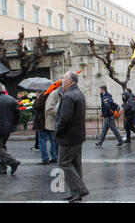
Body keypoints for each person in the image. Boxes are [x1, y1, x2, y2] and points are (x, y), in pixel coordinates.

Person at [55, 71, 89, 203]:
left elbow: (65, 118)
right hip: (77, 136)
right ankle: (76, 193)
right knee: (75, 164)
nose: (61, 81)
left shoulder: (68, 96)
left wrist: (57, 131)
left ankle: (80, 189)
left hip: (69, 137)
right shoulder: (79, 93)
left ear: (70, 81)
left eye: (63, 78)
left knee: (63, 162)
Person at [33, 90, 57, 165]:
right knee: (53, 140)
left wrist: (37, 98)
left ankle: (45, 158)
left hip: (42, 122)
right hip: (50, 121)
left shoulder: (43, 96)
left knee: (42, 141)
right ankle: (54, 157)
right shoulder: (53, 95)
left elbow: (36, 106)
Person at [44, 87, 63, 157]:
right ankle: (55, 157)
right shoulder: (54, 94)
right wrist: (62, 111)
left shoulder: (65, 93)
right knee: (54, 142)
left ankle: (57, 157)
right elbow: (49, 109)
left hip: (60, 123)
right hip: (53, 123)